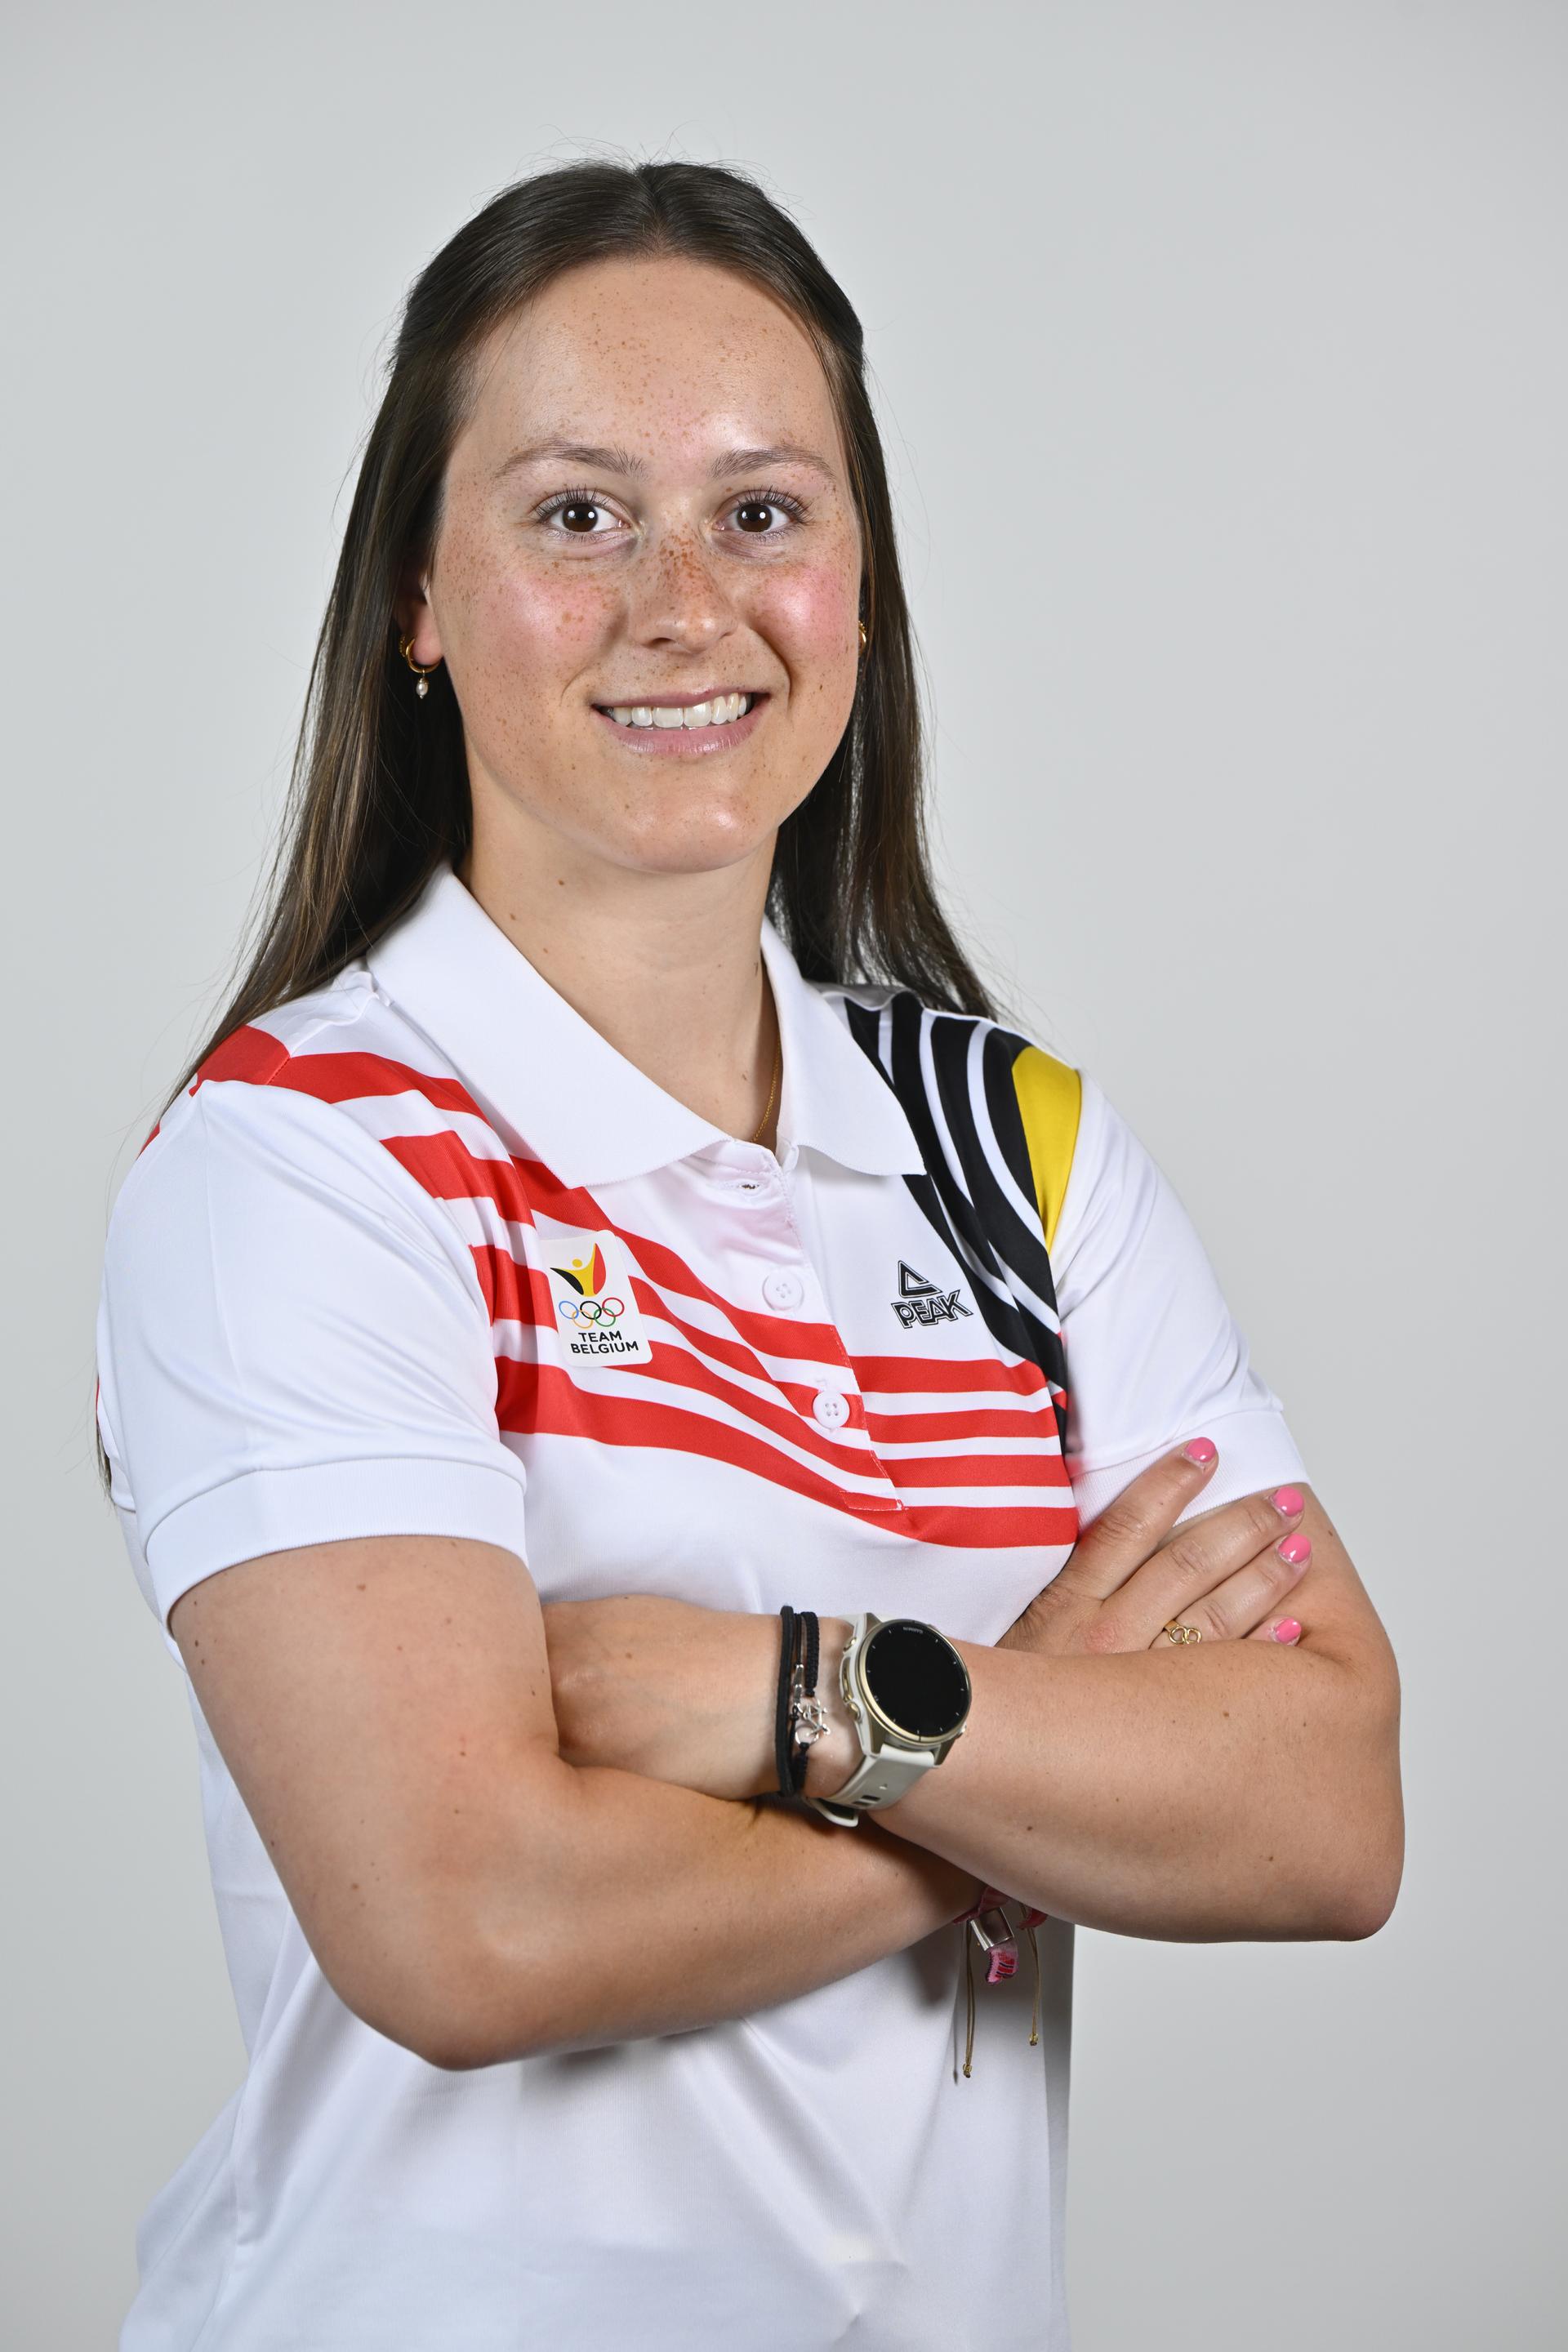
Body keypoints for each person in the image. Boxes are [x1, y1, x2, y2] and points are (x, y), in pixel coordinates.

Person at [92, 158, 1402, 2352]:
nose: (683, 603)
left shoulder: (1023, 1153)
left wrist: (774, 1700)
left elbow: (1325, 1807)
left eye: (765, 513)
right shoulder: (302, 1163)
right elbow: (470, 1923)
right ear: (416, 595)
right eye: (577, 515)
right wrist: (1011, 1759)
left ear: (862, 596)